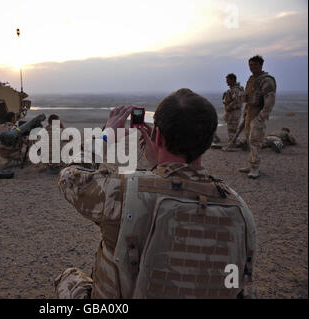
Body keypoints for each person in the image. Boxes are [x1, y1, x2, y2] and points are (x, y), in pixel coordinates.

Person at [55, 89, 257, 299]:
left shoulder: (124, 193)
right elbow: (240, 287)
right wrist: (159, 165)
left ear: (158, 135)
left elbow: (70, 178)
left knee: (69, 279)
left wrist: (106, 135)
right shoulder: (239, 210)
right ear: (206, 143)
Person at [239, 55, 277, 179]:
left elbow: (269, 101)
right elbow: (248, 97)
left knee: (255, 141)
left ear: (261, 65)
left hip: (258, 115)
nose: (252, 67)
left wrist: (261, 117)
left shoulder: (266, 80)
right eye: (250, 65)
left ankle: (255, 168)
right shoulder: (251, 79)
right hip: (249, 113)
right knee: (250, 141)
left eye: (255, 65)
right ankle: (250, 165)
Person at [222, 74, 244, 151]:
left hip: (234, 112)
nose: (226, 82)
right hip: (232, 112)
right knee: (232, 128)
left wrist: (228, 107)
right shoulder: (233, 89)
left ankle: (232, 145)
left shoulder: (235, 90)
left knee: (232, 129)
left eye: (228, 80)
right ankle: (232, 143)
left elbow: (237, 102)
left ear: (233, 80)